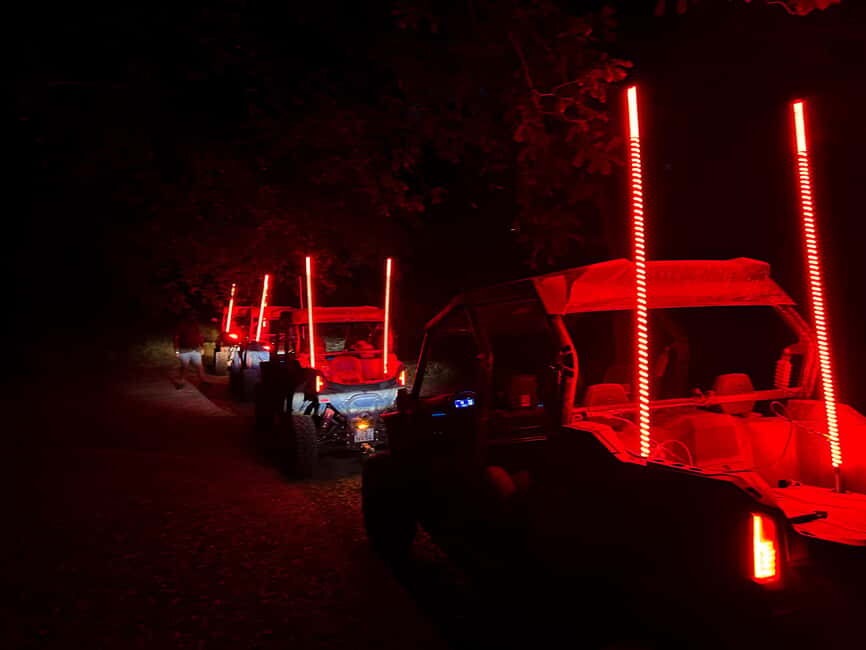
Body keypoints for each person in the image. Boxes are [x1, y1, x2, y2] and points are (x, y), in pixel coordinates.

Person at [174, 313, 206, 388]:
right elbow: (176, 338)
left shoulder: (195, 325)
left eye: (194, 316)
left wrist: (202, 347)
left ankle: (203, 381)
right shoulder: (181, 325)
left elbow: (200, 337)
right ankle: (181, 382)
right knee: (184, 367)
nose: (193, 318)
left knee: (199, 366)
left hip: (196, 349)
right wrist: (176, 350)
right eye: (191, 316)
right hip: (184, 350)